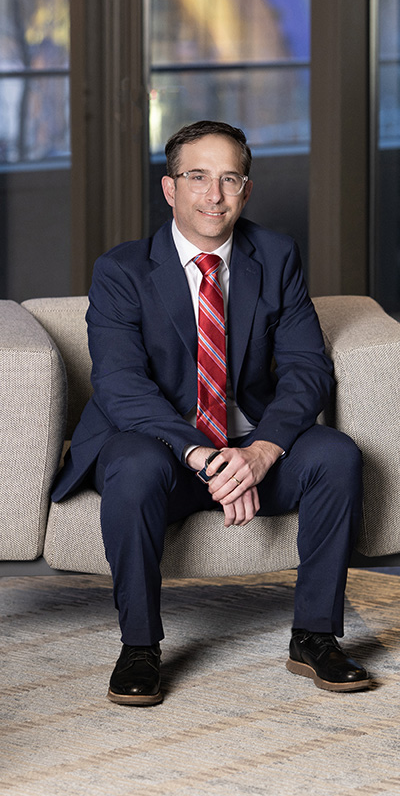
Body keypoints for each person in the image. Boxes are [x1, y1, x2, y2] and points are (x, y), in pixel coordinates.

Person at [52, 120, 371, 705]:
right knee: (134, 465)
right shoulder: (122, 270)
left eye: (229, 179)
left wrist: (261, 452)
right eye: (197, 177)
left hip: (249, 447)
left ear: (247, 190)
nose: (214, 195)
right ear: (170, 188)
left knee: (336, 455)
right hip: (162, 450)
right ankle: (140, 647)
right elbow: (121, 386)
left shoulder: (276, 256)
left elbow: (307, 369)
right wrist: (201, 455)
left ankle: (315, 637)